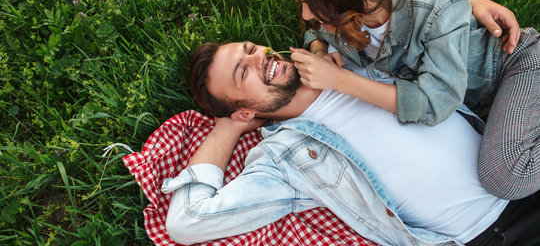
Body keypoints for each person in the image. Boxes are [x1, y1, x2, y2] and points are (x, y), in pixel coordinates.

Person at [163, 41, 540, 246]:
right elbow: (187, 222)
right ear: (242, 112)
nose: (261, 57)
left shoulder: (344, 54)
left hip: (519, 159)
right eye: (242, 72)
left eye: (250, 49)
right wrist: (225, 131)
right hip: (487, 236)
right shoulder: (284, 159)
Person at [282, 0, 540, 200]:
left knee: (505, 178)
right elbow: (314, 30)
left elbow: (434, 102)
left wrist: (341, 81)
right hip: (478, 107)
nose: (307, 13)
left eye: (310, 2)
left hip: (514, 68)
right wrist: (320, 50)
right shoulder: (349, 14)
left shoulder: (436, 0)